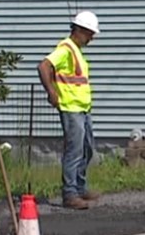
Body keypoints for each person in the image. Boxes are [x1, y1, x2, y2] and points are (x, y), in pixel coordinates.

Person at [37, 11, 100, 210]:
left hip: (82, 108)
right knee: (74, 151)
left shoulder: (76, 51)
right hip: (71, 108)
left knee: (87, 149)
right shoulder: (65, 49)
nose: (91, 38)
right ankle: (70, 193)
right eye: (90, 34)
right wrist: (51, 91)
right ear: (80, 30)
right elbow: (44, 66)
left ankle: (80, 188)